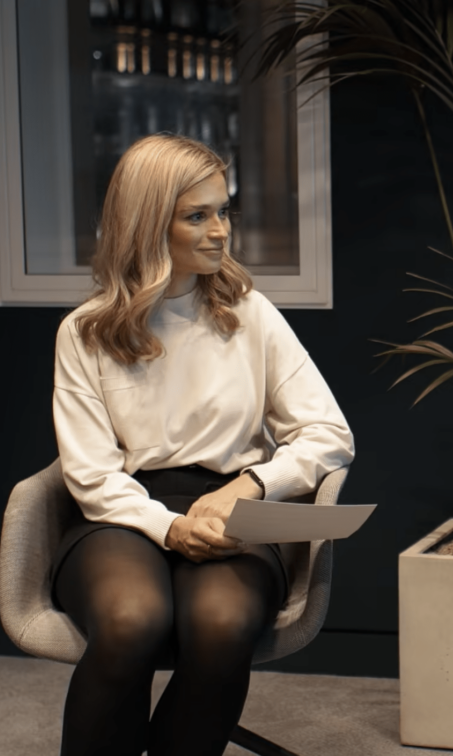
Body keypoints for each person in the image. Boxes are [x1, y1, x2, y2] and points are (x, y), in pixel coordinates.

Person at [49, 134, 355, 756]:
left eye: (224, 212)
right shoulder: (83, 333)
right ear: (145, 224)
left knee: (220, 626)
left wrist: (249, 486)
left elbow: (329, 434)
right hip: (122, 514)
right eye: (198, 216)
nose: (221, 232)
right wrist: (167, 528)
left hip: (232, 506)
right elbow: (90, 474)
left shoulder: (252, 314)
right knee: (131, 620)